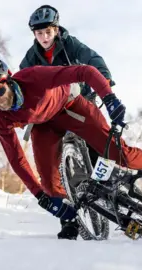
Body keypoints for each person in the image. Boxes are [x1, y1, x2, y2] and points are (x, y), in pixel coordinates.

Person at [0, 57, 142, 240]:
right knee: (49, 182)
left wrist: (110, 100)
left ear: (9, 81)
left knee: (119, 154)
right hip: (43, 126)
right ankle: (70, 218)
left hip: (70, 108)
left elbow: (85, 71)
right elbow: (15, 157)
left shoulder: (35, 77)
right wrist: (41, 196)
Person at [20, 4, 113, 166]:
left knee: (96, 138)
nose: (44, 38)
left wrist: (104, 78)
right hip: (54, 107)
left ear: (56, 30)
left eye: (48, 32)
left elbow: (92, 58)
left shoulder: (70, 44)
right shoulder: (31, 56)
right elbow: (22, 80)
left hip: (80, 98)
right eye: (39, 33)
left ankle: (108, 172)